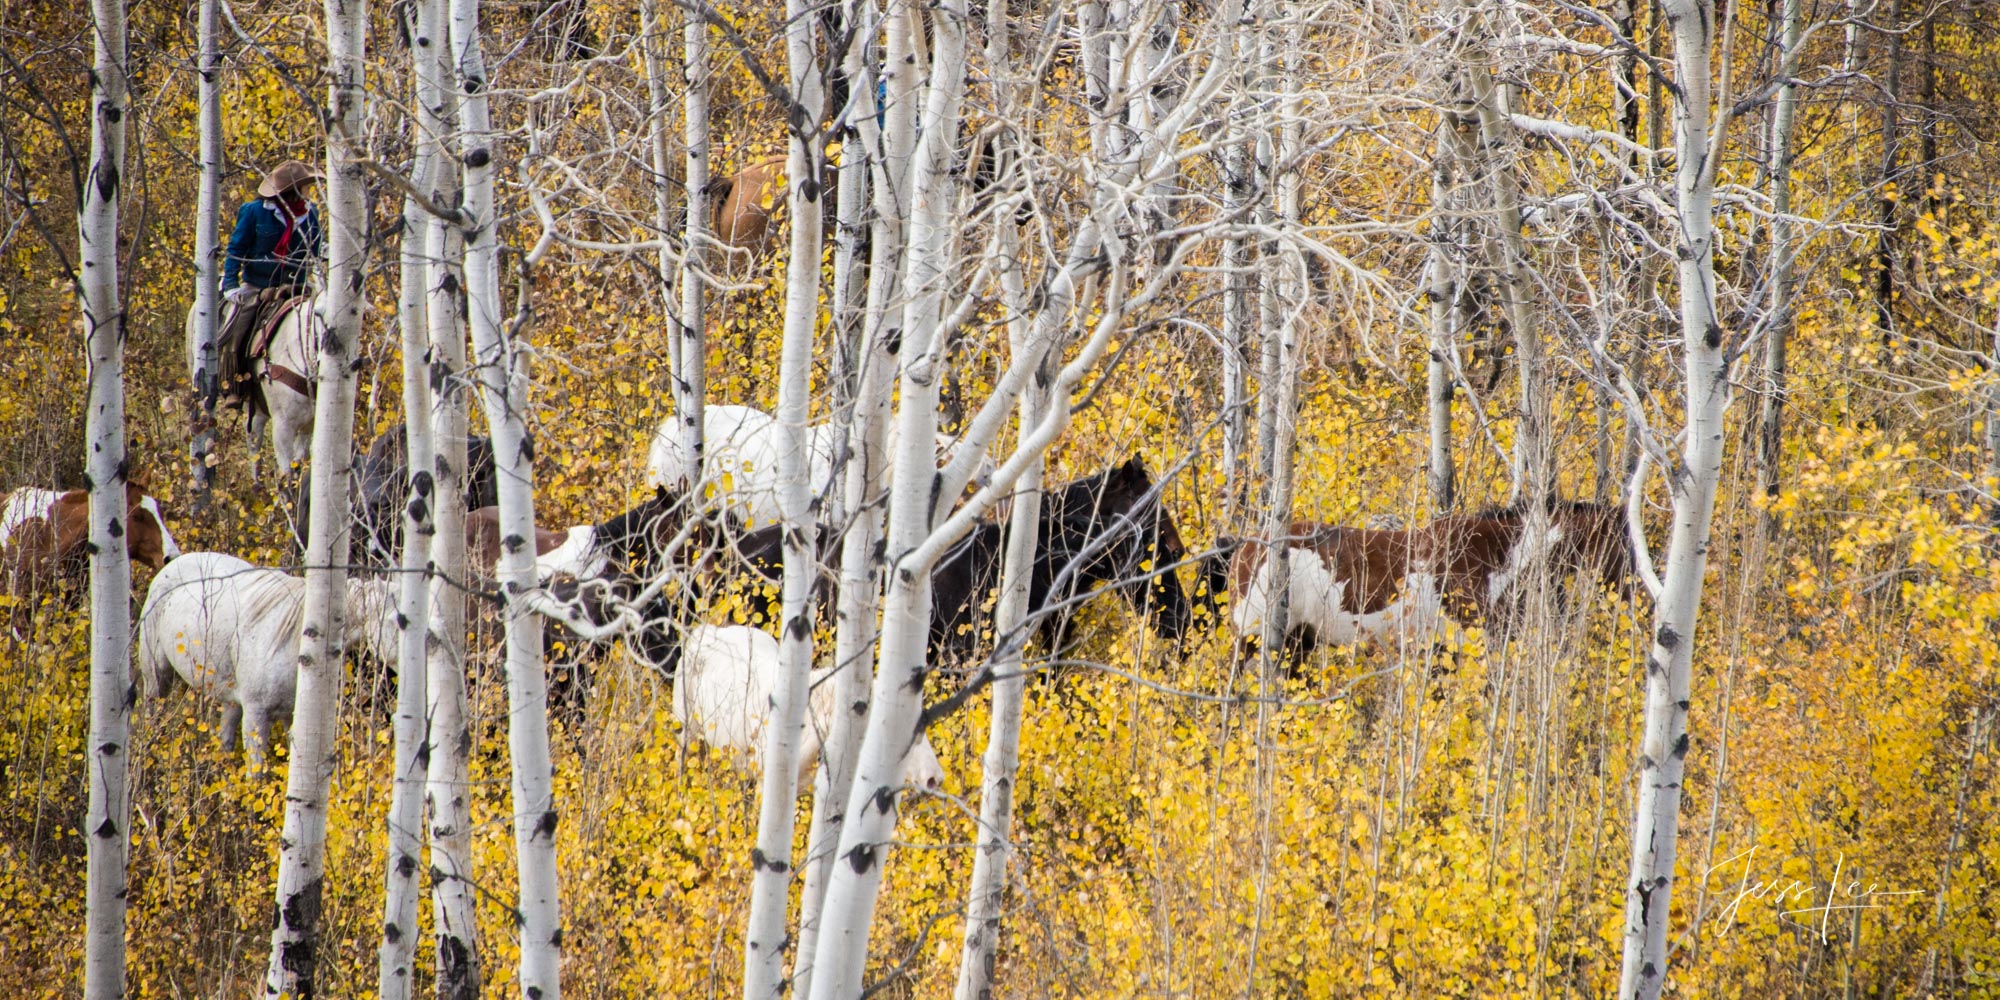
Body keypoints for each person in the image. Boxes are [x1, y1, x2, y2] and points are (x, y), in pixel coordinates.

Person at [215, 159, 323, 406]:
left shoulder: (310, 213)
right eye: (305, 187)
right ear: (292, 191)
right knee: (240, 325)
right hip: (258, 287)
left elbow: (315, 249)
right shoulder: (254, 211)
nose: (309, 192)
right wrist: (230, 283)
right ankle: (234, 382)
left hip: (297, 286)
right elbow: (236, 248)